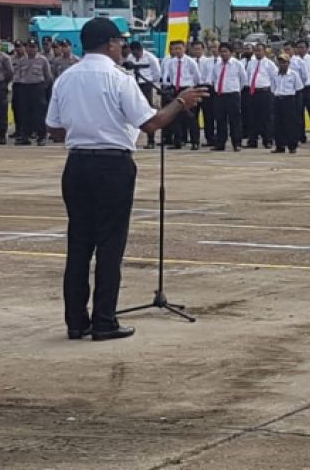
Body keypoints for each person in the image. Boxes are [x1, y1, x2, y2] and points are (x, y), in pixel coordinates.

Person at [45, 18, 206, 342]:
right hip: (112, 166)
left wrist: (84, 128)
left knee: (78, 244)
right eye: (119, 43)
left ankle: (77, 322)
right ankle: (104, 320)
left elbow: (53, 127)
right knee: (109, 244)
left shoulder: (67, 78)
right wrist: (179, 102)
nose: (122, 48)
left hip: (76, 164)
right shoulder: (117, 78)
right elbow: (150, 123)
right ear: (109, 44)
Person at [160, 40, 202, 150]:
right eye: (175, 49)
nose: (177, 51)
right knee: (175, 116)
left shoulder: (190, 62)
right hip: (176, 89)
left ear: (184, 49)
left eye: (179, 48)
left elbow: (197, 77)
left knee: (191, 117)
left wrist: (192, 88)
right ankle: (177, 141)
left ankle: (195, 141)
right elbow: (167, 76)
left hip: (187, 88)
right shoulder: (171, 62)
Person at [13, 40, 52, 146]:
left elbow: (48, 76)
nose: (31, 49)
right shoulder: (22, 60)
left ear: (37, 48)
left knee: (39, 114)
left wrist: (43, 88)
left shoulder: (43, 60)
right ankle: (25, 136)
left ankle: (41, 136)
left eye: (33, 47)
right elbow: (18, 74)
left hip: (38, 88)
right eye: (29, 47)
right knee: (24, 113)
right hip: (25, 88)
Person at [210, 42, 247, 151]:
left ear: (231, 52)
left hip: (232, 95)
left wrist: (235, 90)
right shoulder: (217, 64)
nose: (223, 54)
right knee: (220, 120)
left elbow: (243, 80)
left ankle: (237, 143)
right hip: (220, 95)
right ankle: (220, 143)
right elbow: (214, 79)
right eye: (221, 51)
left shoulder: (237, 64)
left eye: (225, 51)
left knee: (234, 120)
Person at [243, 43, 278, 149]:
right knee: (252, 117)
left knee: (266, 117)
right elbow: (248, 76)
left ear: (264, 51)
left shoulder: (269, 64)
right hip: (253, 92)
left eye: (260, 50)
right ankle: (252, 140)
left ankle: (267, 140)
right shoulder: (251, 63)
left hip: (265, 92)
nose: (258, 52)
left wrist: (272, 91)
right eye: (256, 50)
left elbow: (275, 78)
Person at [127, 41, 161, 149]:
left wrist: (151, 83)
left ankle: (151, 140)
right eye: (134, 53)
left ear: (141, 49)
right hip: (134, 84)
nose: (135, 55)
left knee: (148, 111)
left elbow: (157, 73)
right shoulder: (130, 58)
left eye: (137, 52)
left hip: (146, 84)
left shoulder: (150, 58)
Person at [270, 56, 302, 154]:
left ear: (288, 63)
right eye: (280, 63)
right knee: (278, 123)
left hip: (289, 99)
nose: (282, 65)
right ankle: (280, 146)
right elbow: (273, 88)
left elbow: (298, 88)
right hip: (278, 99)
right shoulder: (275, 74)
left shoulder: (294, 74)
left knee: (290, 123)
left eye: (284, 62)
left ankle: (292, 146)